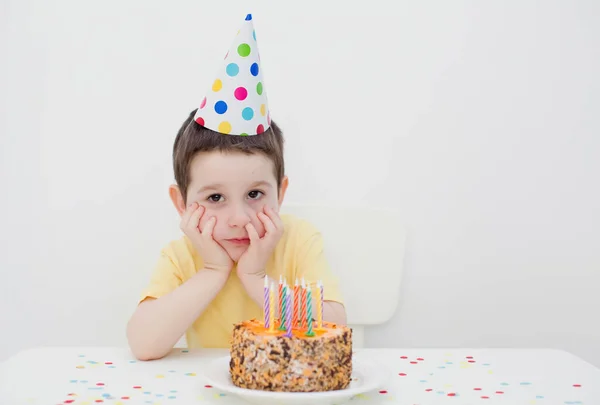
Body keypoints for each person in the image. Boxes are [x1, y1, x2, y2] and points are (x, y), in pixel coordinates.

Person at [126, 14, 346, 361]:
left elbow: (334, 328)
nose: (239, 218)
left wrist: (255, 276)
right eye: (214, 197)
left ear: (281, 193)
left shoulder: (298, 241)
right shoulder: (183, 256)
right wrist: (213, 271)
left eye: (255, 194)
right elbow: (143, 344)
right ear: (181, 203)